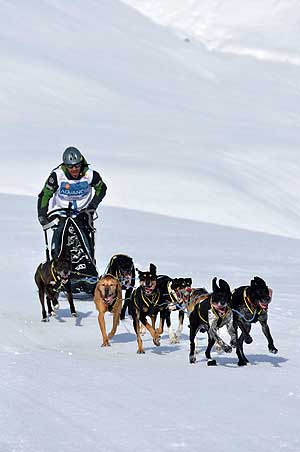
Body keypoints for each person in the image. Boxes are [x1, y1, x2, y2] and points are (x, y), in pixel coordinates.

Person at [37, 146, 107, 256]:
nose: (74, 169)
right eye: (70, 166)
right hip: (61, 213)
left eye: (77, 165)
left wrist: (91, 207)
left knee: (85, 241)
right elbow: (45, 195)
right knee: (60, 235)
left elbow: (101, 189)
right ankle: (56, 260)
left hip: (82, 213)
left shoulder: (90, 175)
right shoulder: (57, 175)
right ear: (65, 166)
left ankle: (89, 263)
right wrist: (42, 214)